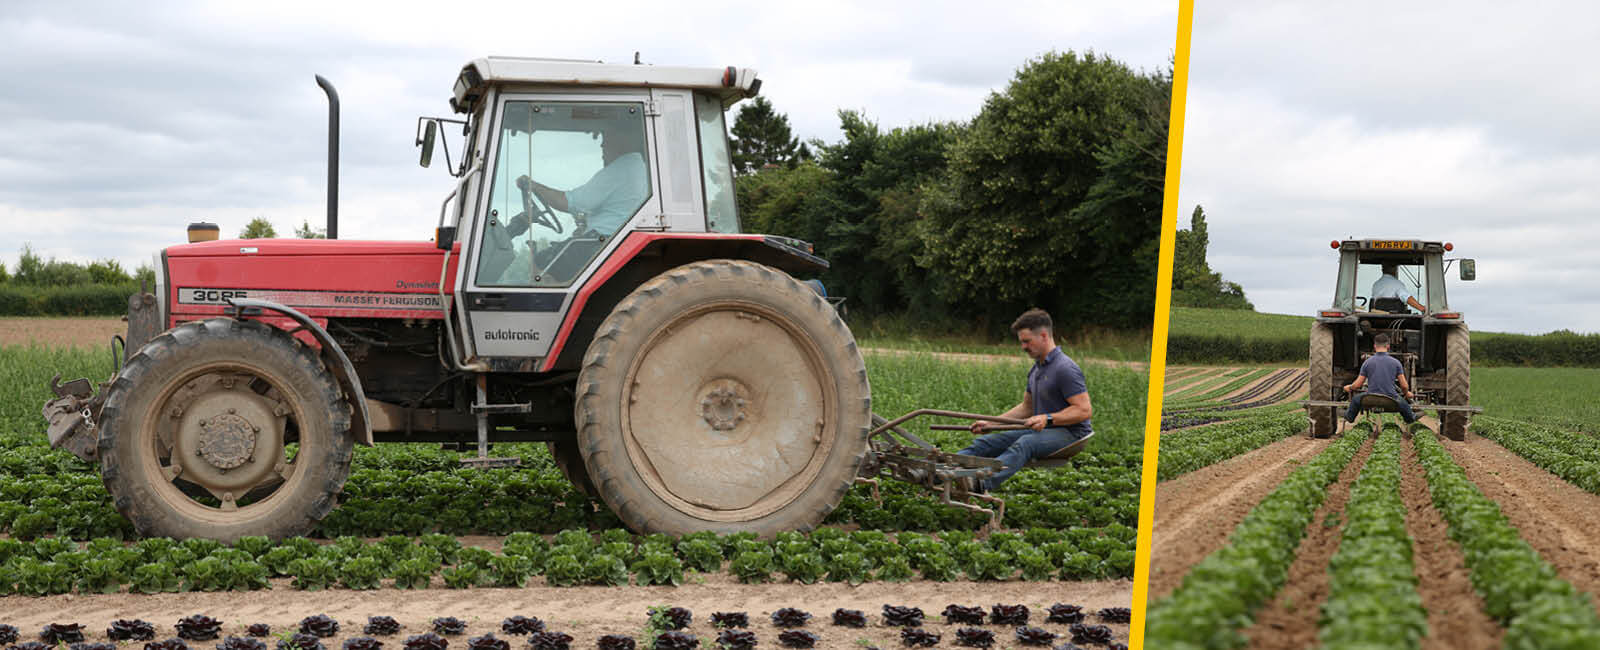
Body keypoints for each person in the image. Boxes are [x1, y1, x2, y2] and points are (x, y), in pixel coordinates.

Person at [961, 308, 1093, 492]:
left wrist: (1047, 418)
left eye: (1027, 341)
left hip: (1071, 434)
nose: (1023, 347)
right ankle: (941, 469)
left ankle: (980, 483)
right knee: (987, 442)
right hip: (1044, 430)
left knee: (1025, 444)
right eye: (1022, 342)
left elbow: (1083, 410)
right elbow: (1026, 408)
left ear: (1044, 336)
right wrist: (992, 423)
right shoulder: (1037, 369)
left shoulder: (1065, 368)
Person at [515, 123, 649, 239]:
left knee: (542, 260)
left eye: (606, 138)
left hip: (604, 239)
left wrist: (533, 186)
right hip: (609, 237)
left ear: (622, 141)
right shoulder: (637, 169)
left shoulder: (621, 169)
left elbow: (571, 203)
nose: (602, 145)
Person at [1341, 332, 1416, 429]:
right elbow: (1404, 386)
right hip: (1391, 400)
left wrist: (1349, 387)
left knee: (1355, 399)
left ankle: (1349, 417)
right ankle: (1410, 418)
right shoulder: (1396, 363)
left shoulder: (1368, 362)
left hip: (1371, 398)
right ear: (1388, 346)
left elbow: (1358, 385)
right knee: (1403, 404)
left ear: (1374, 346)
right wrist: (1407, 394)